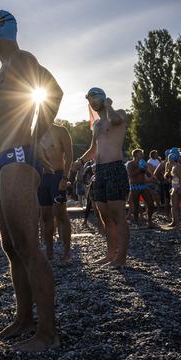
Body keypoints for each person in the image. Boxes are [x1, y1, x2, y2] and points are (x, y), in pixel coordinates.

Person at [0, 10, 61, 350]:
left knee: (28, 244)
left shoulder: (23, 59)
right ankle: (24, 317)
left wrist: (35, 133)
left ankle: (48, 334)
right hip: (0, 162)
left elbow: (53, 92)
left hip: (17, 158)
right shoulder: (2, 75)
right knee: (10, 247)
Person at [76, 87, 130, 268]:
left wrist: (109, 106)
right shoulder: (97, 125)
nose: (92, 101)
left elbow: (115, 120)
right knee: (105, 215)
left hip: (115, 168)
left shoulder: (118, 113)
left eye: (95, 96)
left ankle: (121, 258)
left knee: (118, 214)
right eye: (89, 98)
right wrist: (81, 161)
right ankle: (110, 254)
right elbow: (93, 149)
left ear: (103, 97)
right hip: (99, 171)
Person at [38, 122, 73, 262]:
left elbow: (70, 155)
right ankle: (49, 251)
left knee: (61, 215)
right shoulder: (34, 134)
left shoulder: (60, 130)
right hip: (42, 178)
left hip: (57, 175)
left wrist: (65, 178)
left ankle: (66, 252)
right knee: (45, 216)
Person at [126, 149, 155, 228]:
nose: (142, 155)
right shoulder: (130, 163)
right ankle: (137, 223)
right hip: (134, 186)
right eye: (140, 153)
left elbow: (149, 175)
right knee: (136, 205)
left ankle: (150, 221)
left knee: (151, 203)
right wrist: (139, 169)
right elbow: (130, 174)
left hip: (143, 185)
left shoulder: (143, 162)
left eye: (142, 153)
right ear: (136, 155)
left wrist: (146, 170)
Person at [164, 150, 181, 228]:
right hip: (174, 187)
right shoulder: (173, 167)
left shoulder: (176, 167)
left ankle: (177, 223)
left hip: (177, 188)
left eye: (168, 159)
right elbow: (173, 179)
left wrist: (176, 188)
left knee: (175, 206)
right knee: (173, 206)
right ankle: (174, 221)